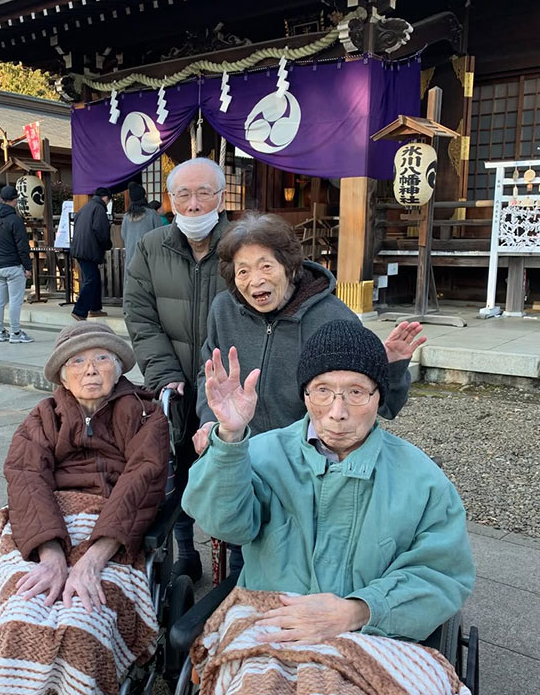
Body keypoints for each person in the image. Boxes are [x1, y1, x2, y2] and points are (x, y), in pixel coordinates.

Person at [183, 320, 475, 694]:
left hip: (374, 635)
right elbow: (224, 525)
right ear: (305, 395)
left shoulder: (422, 480)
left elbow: (443, 573)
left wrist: (358, 609)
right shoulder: (262, 454)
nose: (337, 411)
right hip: (272, 624)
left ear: (379, 397)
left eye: (356, 392)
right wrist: (229, 439)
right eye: (323, 391)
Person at [193, 213, 425, 576]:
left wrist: (391, 368)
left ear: (289, 266)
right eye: (242, 271)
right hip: (245, 461)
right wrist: (211, 423)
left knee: (304, 564)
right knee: (246, 560)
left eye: (265, 266)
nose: (255, 280)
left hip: (307, 471)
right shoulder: (224, 310)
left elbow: (385, 407)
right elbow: (211, 377)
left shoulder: (333, 318)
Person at [0, 321, 169, 695]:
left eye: (102, 358)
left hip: (111, 526)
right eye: (77, 361)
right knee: (21, 610)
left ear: (118, 368)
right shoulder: (43, 416)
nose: (91, 369)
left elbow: (141, 481)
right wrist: (51, 555)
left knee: (84, 618)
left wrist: (93, 560)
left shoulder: (146, 415)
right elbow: (26, 477)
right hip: (45, 523)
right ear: (63, 377)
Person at [124, 156, 229, 583]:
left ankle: (235, 562)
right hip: (174, 383)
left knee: (232, 474)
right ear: (170, 199)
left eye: (204, 193)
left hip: (228, 385)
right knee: (177, 469)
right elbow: (139, 315)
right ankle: (186, 552)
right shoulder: (152, 247)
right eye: (183, 194)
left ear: (221, 196)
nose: (194, 204)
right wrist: (163, 372)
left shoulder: (242, 245)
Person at [0, 185, 34, 344]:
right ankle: (16, 332)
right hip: (14, 266)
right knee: (15, 301)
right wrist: (28, 267)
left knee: (0, 300)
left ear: (1, 199)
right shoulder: (15, 220)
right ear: (15, 200)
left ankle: (0, 331)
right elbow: (22, 246)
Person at [69, 186, 112, 320]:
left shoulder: (85, 208)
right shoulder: (99, 209)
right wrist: (107, 245)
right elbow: (100, 231)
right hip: (89, 250)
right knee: (91, 280)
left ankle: (95, 307)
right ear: (105, 198)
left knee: (94, 279)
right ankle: (79, 310)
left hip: (80, 248)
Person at [121, 182, 164, 285]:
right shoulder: (152, 214)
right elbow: (160, 236)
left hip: (131, 258)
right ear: (144, 197)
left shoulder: (126, 217)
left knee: (131, 287)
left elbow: (123, 236)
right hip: (149, 258)